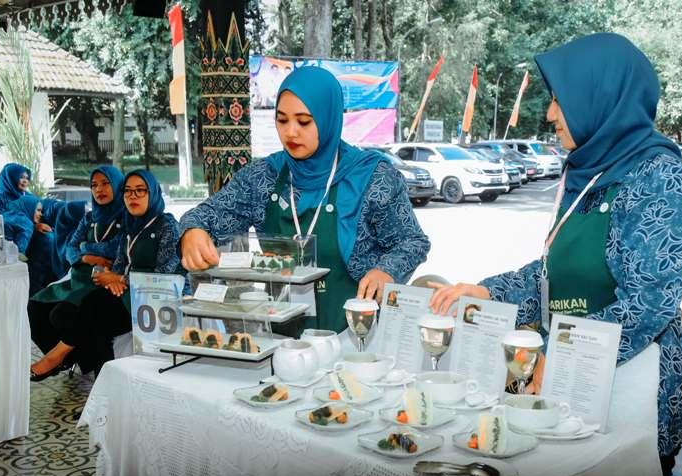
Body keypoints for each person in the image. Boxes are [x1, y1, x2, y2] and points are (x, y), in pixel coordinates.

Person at [429, 33, 682, 476]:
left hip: (630, 390)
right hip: (569, 377)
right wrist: (487, 291)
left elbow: (649, 303)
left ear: (601, 96)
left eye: (560, 100)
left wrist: (557, 355)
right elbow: (554, 275)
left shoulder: (660, 177)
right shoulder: (588, 170)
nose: (551, 114)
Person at [179, 66, 430, 333]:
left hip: (357, 334)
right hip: (284, 338)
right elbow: (206, 215)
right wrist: (192, 232)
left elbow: (412, 241)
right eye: (282, 120)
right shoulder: (263, 177)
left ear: (328, 118)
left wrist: (386, 271)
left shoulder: (372, 177)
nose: (291, 133)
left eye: (304, 121)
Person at [31, 169, 184, 377]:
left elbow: (164, 275)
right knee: (95, 322)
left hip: (156, 298)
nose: (132, 196)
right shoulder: (131, 226)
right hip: (127, 293)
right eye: (128, 191)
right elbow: (119, 263)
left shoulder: (168, 226)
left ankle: (58, 356)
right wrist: (115, 280)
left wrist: (119, 279)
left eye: (140, 191)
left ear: (153, 193)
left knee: (93, 306)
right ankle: (102, 390)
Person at [27, 166, 125, 380]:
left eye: (105, 183)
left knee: (62, 314)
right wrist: (86, 256)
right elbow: (70, 249)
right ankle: (65, 360)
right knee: (35, 306)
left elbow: (116, 251)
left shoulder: (126, 217)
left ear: (118, 185)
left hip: (102, 281)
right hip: (78, 277)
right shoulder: (90, 218)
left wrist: (85, 247)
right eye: (94, 185)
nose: (99, 189)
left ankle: (77, 358)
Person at [0, 163, 84, 295]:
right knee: (47, 241)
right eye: (21, 177)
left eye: (27, 177)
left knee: (56, 236)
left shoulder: (29, 196)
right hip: (14, 242)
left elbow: (42, 211)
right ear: (11, 178)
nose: (25, 180)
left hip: (32, 236)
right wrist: (33, 225)